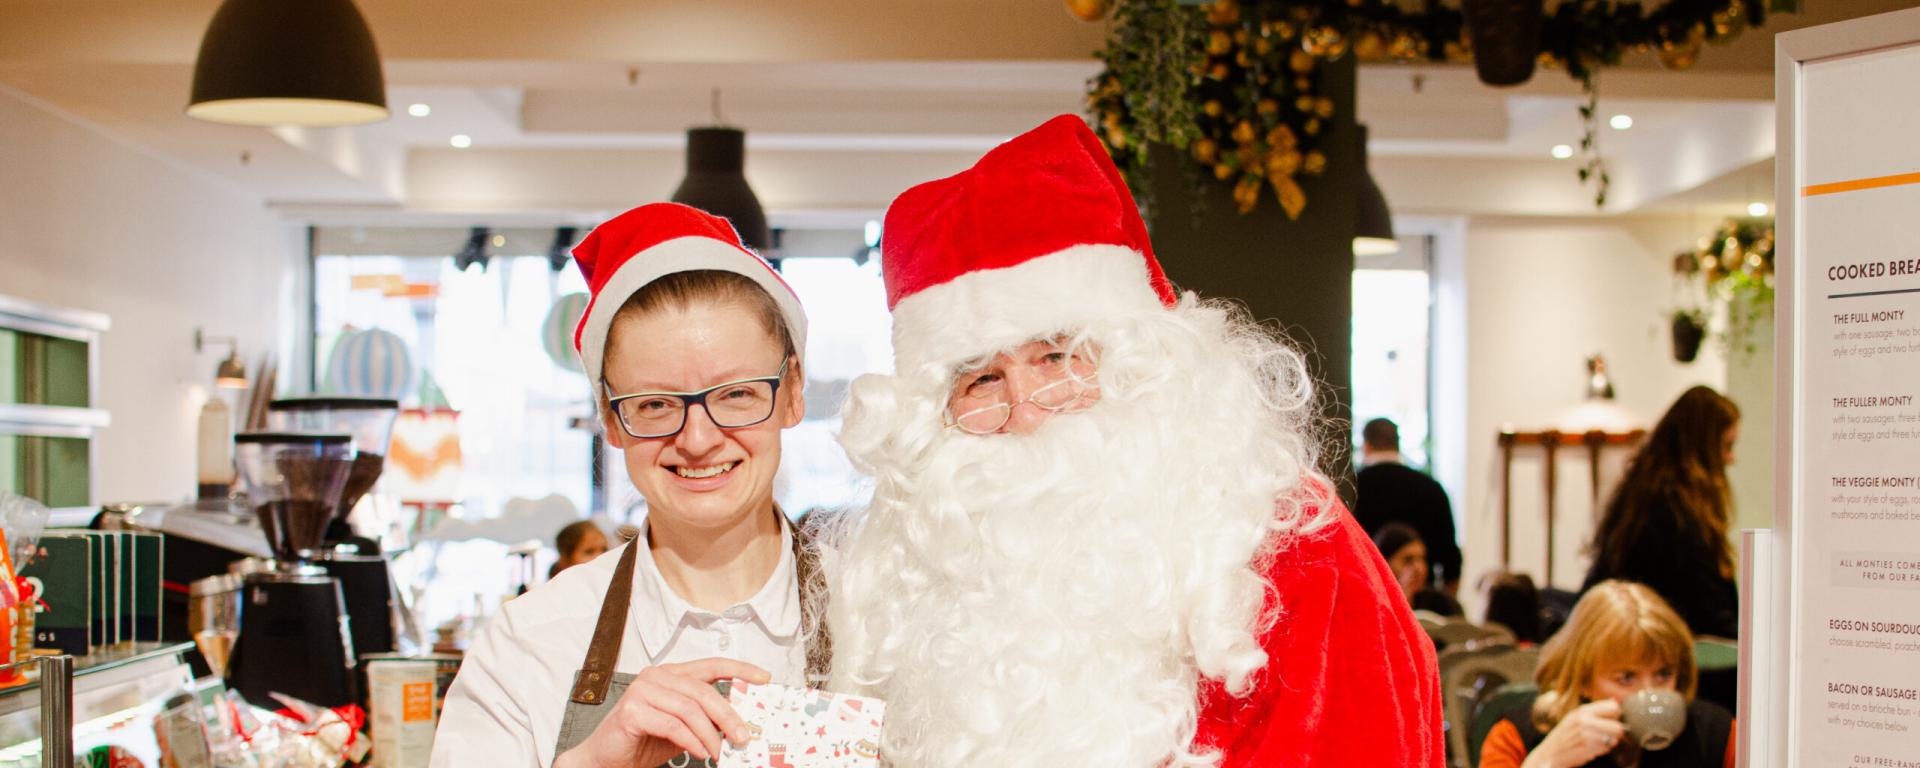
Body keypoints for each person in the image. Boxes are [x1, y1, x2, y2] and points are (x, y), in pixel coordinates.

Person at [822, 114, 1441, 767]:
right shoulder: (914, 585)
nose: (1027, 411)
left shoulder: (1291, 552)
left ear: (1143, 361)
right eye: (981, 380)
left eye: (1058, 357)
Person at [432, 203, 829, 768]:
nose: (697, 440)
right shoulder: (529, 643)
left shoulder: (890, 617)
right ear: (611, 419)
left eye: (736, 394)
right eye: (655, 404)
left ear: (791, 392)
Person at [1477, 580, 1735, 768]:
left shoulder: (1715, 734)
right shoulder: (1517, 738)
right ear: (1583, 680)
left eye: (1663, 674)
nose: (1649, 692)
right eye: (1626, 678)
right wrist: (1546, 761)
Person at [1580, 385, 1740, 640]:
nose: (1731, 458)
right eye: (1726, 446)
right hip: (1657, 644)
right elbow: (1707, 609)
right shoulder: (1676, 515)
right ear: (1702, 447)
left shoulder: (1641, 498)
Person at [1354, 417, 1462, 595]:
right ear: (1397, 444)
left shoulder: (1352, 489)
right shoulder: (1431, 488)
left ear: (1366, 446)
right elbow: (1451, 559)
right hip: (1424, 602)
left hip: (1365, 595)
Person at [1373, 522, 1463, 617]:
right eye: (1408, 560)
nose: (1418, 568)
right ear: (1384, 564)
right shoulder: (1375, 604)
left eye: (1422, 558)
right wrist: (1402, 600)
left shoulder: (1443, 604)